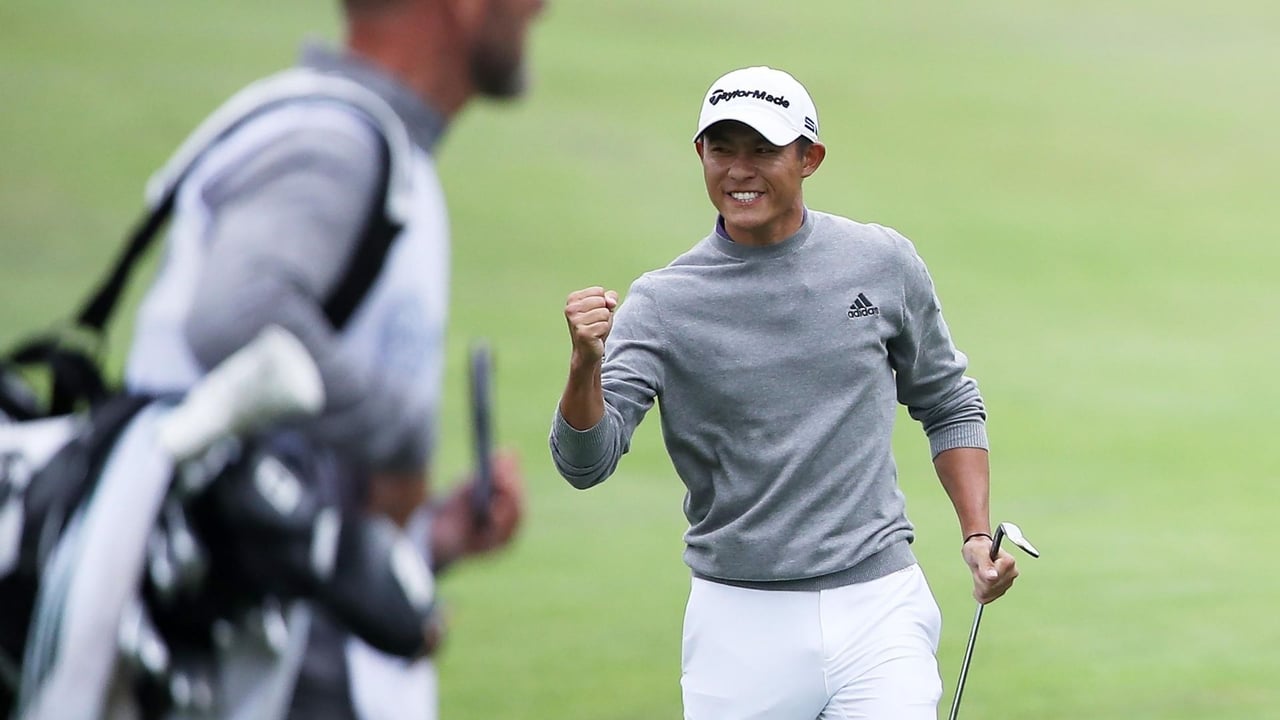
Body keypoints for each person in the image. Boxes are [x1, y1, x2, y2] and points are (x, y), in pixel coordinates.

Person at [550, 65, 1023, 719]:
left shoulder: (880, 263)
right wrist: (584, 367)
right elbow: (585, 463)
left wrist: (975, 534)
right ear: (700, 156)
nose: (740, 170)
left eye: (763, 150)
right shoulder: (662, 303)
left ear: (810, 158)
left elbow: (947, 401)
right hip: (739, 623)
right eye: (723, 149)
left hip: (879, 605)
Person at [123, 0, 546, 717]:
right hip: (257, 650)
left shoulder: (367, 139)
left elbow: (281, 452)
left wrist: (419, 543)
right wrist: (403, 441)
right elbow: (239, 316)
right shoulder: (340, 143)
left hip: (275, 618)